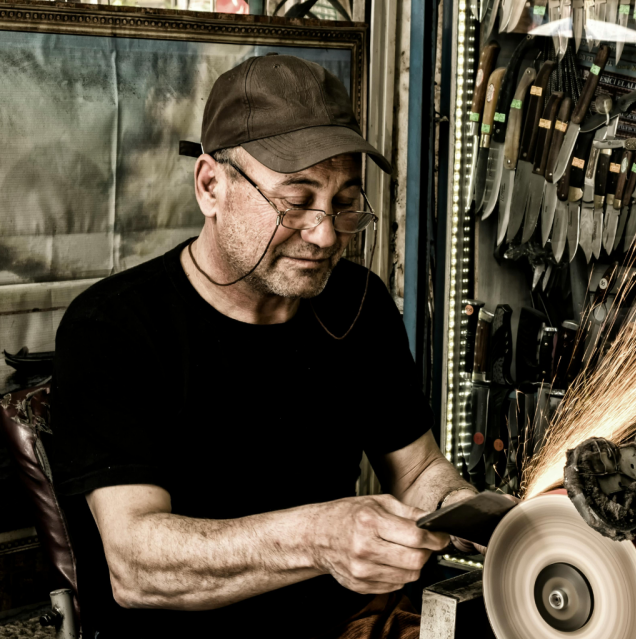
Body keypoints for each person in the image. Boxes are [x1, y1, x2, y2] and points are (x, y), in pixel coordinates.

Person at [44, 54, 478, 639]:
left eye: (345, 203)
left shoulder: (356, 303)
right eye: (296, 202)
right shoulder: (113, 327)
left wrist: (463, 507)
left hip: (341, 625)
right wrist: (318, 538)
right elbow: (135, 563)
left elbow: (419, 466)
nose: (325, 234)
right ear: (210, 186)